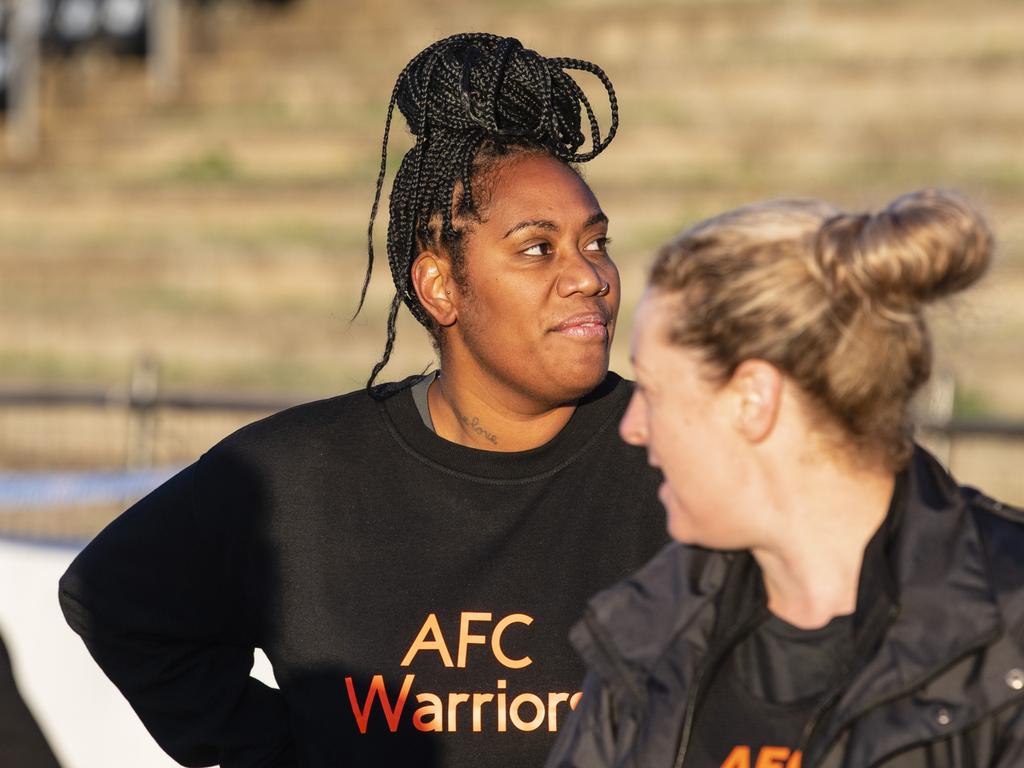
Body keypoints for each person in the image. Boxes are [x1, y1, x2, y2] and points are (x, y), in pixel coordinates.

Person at [57, 33, 667, 768]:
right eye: (538, 248)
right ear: (440, 285)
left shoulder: (678, 455)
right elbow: (113, 598)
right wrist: (289, 748)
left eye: (595, 243)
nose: (589, 277)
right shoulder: (297, 475)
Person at [547, 190, 1024, 768]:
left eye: (654, 390)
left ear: (753, 398)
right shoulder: (648, 633)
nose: (633, 427)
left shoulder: (1006, 637)